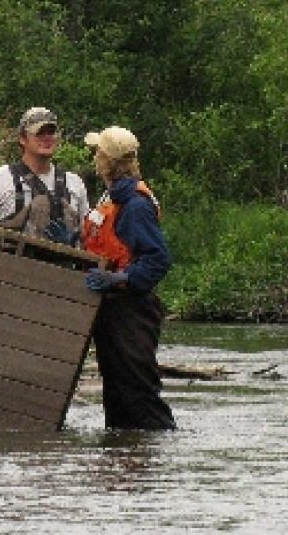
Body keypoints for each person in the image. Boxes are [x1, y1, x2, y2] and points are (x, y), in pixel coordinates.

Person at [82, 126, 176, 430]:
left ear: (107, 161)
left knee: (139, 392)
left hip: (133, 310)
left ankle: (158, 457)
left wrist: (119, 279)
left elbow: (157, 259)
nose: (95, 157)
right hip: (112, 309)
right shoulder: (113, 197)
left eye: (98, 152)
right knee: (117, 393)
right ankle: (123, 462)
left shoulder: (135, 205)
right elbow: (107, 241)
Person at [0, 107, 89, 252]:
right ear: (22, 138)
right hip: (5, 270)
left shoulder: (74, 184)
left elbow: (87, 239)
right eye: (39, 133)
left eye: (51, 132)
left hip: (62, 270)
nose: (47, 137)